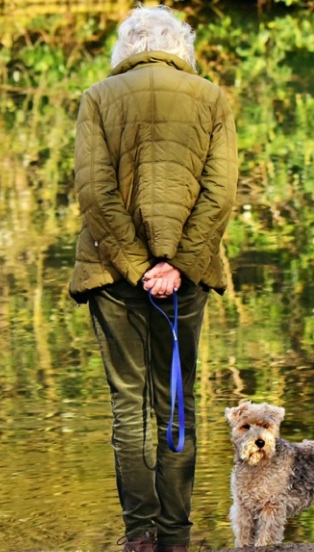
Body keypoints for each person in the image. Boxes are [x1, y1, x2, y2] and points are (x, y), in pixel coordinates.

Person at [69, 5, 238, 552]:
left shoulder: (97, 97)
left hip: (112, 273)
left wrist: (139, 267)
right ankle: (177, 536)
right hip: (183, 278)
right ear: (178, 46)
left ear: (128, 46)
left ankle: (139, 536)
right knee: (177, 400)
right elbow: (221, 194)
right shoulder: (212, 98)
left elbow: (94, 192)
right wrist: (177, 265)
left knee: (129, 404)